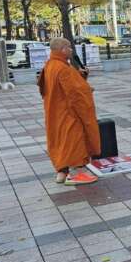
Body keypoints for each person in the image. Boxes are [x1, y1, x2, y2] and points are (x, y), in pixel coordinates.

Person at [39, 38, 101, 186]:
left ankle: (61, 173)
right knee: (74, 141)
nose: (71, 50)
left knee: (60, 142)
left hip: (54, 112)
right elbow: (76, 94)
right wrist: (87, 90)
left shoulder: (49, 65)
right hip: (69, 112)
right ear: (63, 49)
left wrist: (81, 77)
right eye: (69, 47)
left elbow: (44, 88)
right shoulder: (63, 68)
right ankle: (78, 173)